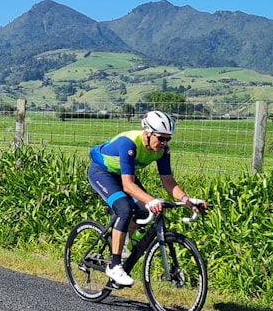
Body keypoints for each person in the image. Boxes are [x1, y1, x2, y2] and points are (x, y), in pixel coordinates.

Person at [87, 110, 207, 287]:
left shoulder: (162, 150)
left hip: (123, 175)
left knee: (144, 210)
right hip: (102, 172)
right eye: (161, 138)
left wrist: (188, 200)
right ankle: (114, 265)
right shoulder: (129, 144)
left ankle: (122, 239)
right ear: (148, 133)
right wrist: (152, 200)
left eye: (168, 139)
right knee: (125, 208)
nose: (164, 143)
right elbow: (128, 186)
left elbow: (167, 181)